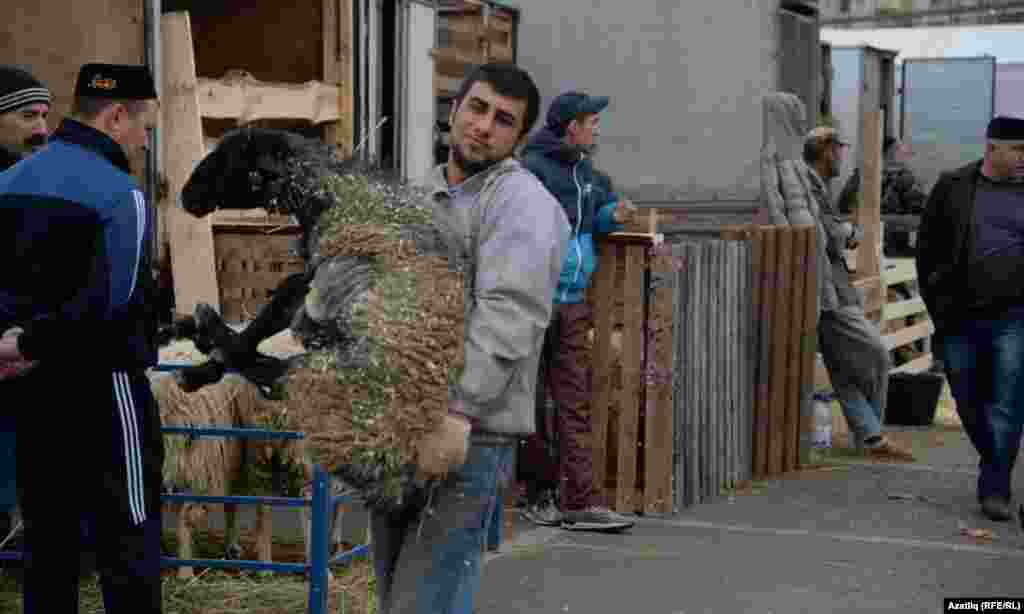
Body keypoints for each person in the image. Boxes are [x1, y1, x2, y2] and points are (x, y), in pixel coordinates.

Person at [370, 62, 569, 614]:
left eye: (504, 120)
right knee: (396, 593)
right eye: (477, 108)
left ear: (519, 139)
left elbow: (510, 314)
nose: (484, 126)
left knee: (423, 600)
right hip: (401, 423)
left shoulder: (520, 205)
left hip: (467, 433)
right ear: (453, 110)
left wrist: (459, 411)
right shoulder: (422, 193)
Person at [0, 63, 164, 613]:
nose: (146, 140)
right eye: (146, 126)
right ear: (116, 116)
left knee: (48, 544)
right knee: (130, 539)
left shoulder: (9, 184)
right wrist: (32, 344)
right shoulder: (122, 195)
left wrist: (13, 345)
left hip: (29, 392)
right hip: (105, 389)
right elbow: (111, 309)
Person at [761, 92, 913, 460]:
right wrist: (848, 233)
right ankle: (872, 433)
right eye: (840, 149)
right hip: (826, 289)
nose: (842, 157)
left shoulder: (809, 180)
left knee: (843, 368)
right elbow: (824, 232)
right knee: (875, 354)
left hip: (829, 285)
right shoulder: (806, 179)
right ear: (826, 150)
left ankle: (871, 438)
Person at [516, 91, 637, 531]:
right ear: (571, 126)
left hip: (573, 302)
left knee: (573, 401)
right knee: (528, 401)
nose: (597, 128)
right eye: (591, 121)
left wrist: (613, 213)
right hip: (535, 300)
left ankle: (581, 501)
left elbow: (596, 218)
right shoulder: (532, 169)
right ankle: (538, 493)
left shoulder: (587, 172)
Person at [916, 115, 1024, 522]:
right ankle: (996, 459)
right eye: (1019, 150)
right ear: (993, 147)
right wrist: (936, 301)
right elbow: (927, 248)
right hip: (959, 313)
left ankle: (994, 486)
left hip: (1015, 314)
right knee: (966, 398)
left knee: (1007, 403)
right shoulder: (954, 186)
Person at [0, 64, 50, 555]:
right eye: (26, 116)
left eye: (44, 115)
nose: (40, 129)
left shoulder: (41, 183)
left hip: (29, 348)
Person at [837, 136, 927, 257]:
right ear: (891, 152)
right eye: (900, 150)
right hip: (886, 251)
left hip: (867, 250)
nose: (905, 154)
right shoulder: (905, 179)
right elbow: (922, 216)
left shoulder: (860, 176)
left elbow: (842, 209)